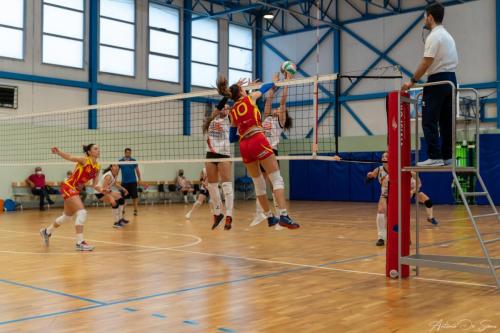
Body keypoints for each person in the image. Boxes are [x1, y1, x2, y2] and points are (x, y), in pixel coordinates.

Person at [216, 75, 299, 229]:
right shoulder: (250, 98)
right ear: (242, 92)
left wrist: (243, 124)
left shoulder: (233, 111)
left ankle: (269, 217)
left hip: (244, 146)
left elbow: (233, 137)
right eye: (243, 89)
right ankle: (284, 215)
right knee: (277, 179)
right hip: (257, 140)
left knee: (258, 184)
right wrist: (275, 81)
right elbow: (265, 88)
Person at [402, 2, 458, 166]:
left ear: (430, 17)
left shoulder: (434, 36)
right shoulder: (448, 35)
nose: (424, 20)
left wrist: (411, 81)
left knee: (429, 119)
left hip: (437, 80)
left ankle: (435, 156)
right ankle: (447, 156)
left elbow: (427, 62)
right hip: (451, 80)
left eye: (425, 17)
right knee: (446, 120)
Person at [251, 71, 293, 227]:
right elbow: (269, 100)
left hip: (271, 152)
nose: (275, 109)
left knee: (273, 185)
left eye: (279, 110)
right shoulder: (267, 116)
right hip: (259, 150)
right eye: (274, 109)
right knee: (260, 184)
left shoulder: (280, 121)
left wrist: (287, 82)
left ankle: (280, 215)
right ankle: (259, 214)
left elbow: (282, 103)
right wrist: (273, 87)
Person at [40, 144, 101, 251]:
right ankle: (80, 242)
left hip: (75, 190)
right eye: (95, 149)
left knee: (67, 217)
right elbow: (70, 157)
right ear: (89, 152)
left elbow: (95, 185)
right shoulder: (84, 160)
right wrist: (58, 152)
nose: (98, 150)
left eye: (98, 148)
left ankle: (47, 231)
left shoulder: (98, 167)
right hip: (68, 186)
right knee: (82, 212)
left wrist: (106, 191)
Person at [202, 99, 234, 230]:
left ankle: (229, 216)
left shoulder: (229, 120)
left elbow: (237, 110)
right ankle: (217, 213)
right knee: (211, 186)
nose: (224, 110)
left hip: (224, 154)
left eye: (227, 108)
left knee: (226, 185)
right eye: (223, 108)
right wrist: (226, 97)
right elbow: (218, 108)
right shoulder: (211, 120)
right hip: (210, 154)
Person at [95, 164, 130, 229]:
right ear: (111, 168)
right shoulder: (108, 176)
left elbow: (115, 183)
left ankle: (120, 219)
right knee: (114, 202)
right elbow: (104, 188)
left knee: (121, 199)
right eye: (114, 166)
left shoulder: (114, 175)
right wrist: (111, 197)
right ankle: (116, 223)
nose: (116, 167)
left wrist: (124, 189)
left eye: (117, 166)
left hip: (106, 191)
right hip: (100, 192)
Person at [366, 152, 389, 246]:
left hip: (397, 195)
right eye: (383, 156)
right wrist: (369, 176)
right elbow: (367, 181)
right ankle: (381, 238)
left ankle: (404, 237)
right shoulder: (379, 169)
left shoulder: (397, 167)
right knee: (380, 212)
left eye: (386, 156)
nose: (384, 158)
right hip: (384, 194)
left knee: (397, 216)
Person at [119, 148, 142, 216]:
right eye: (127, 152)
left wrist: (139, 179)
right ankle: (123, 210)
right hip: (124, 182)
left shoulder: (133, 161)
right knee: (123, 197)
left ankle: (135, 210)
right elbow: (117, 170)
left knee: (134, 197)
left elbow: (137, 170)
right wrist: (114, 178)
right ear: (125, 153)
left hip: (133, 181)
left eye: (129, 152)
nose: (128, 154)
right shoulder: (120, 161)